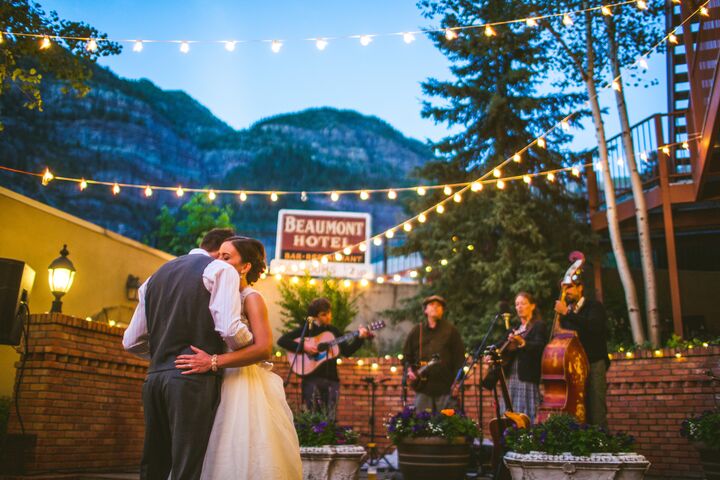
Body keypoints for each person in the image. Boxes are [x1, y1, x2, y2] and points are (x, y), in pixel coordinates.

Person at [122, 228, 254, 480]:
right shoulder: (220, 269)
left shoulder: (154, 277)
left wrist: (163, 354)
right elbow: (229, 329)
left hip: (154, 379)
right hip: (192, 379)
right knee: (188, 464)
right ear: (220, 249)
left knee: (154, 462)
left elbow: (130, 341)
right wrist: (252, 340)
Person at [175, 236, 302, 479]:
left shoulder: (251, 298)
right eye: (217, 256)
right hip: (213, 382)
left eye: (226, 258)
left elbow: (264, 348)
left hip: (240, 382)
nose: (218, 263)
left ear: (245, 267)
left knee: (236, 446)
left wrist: (212, 361)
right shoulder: (220, 295)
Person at [277, 297, 371, 412]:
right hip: (311, 379)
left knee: (330, 415)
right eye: (324, 314)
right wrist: (304, 347)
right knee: (311, 414)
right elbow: (282, 341)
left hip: (331, 379)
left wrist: (360, 339)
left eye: (329, 313)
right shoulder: (307, 330)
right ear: (315, 316)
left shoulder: (333, 331)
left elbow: (347, 352)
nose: (328, 317)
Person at [554, 277, 610, 428]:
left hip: (593, 363)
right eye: (564, 289)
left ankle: (602, 446)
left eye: (570, 287)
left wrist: (566, 312)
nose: (566, 292)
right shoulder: (566, 315)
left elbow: (594, 327)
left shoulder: (594, 307)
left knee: (596, 410)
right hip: (573, 369)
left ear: (580, 287)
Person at [403, 295, 465, 411]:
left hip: (446, 387)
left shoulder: (451, 331)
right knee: (421, 425)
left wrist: (457, 382)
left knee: (446, 425)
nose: (435, 307)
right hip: (423, 388)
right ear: (425, 310)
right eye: (432, 305)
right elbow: (406, 355)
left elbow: (459, 359)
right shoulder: (417, 331)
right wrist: (409, 370)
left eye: (439, 306)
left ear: (442, 311)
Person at [497, 292, 547, 423]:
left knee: (525, 415)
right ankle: (508, 439)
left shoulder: (538, 326)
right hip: (511, 377)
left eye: (523, 303)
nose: (519, 307)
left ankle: (526, 441)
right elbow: (500, 345)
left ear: (532, 306)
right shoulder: (515, 329)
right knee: (509, 413)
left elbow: (540, 346)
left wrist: (522, 342)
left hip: (527, 376)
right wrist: (492, 353)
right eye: (517, 304)